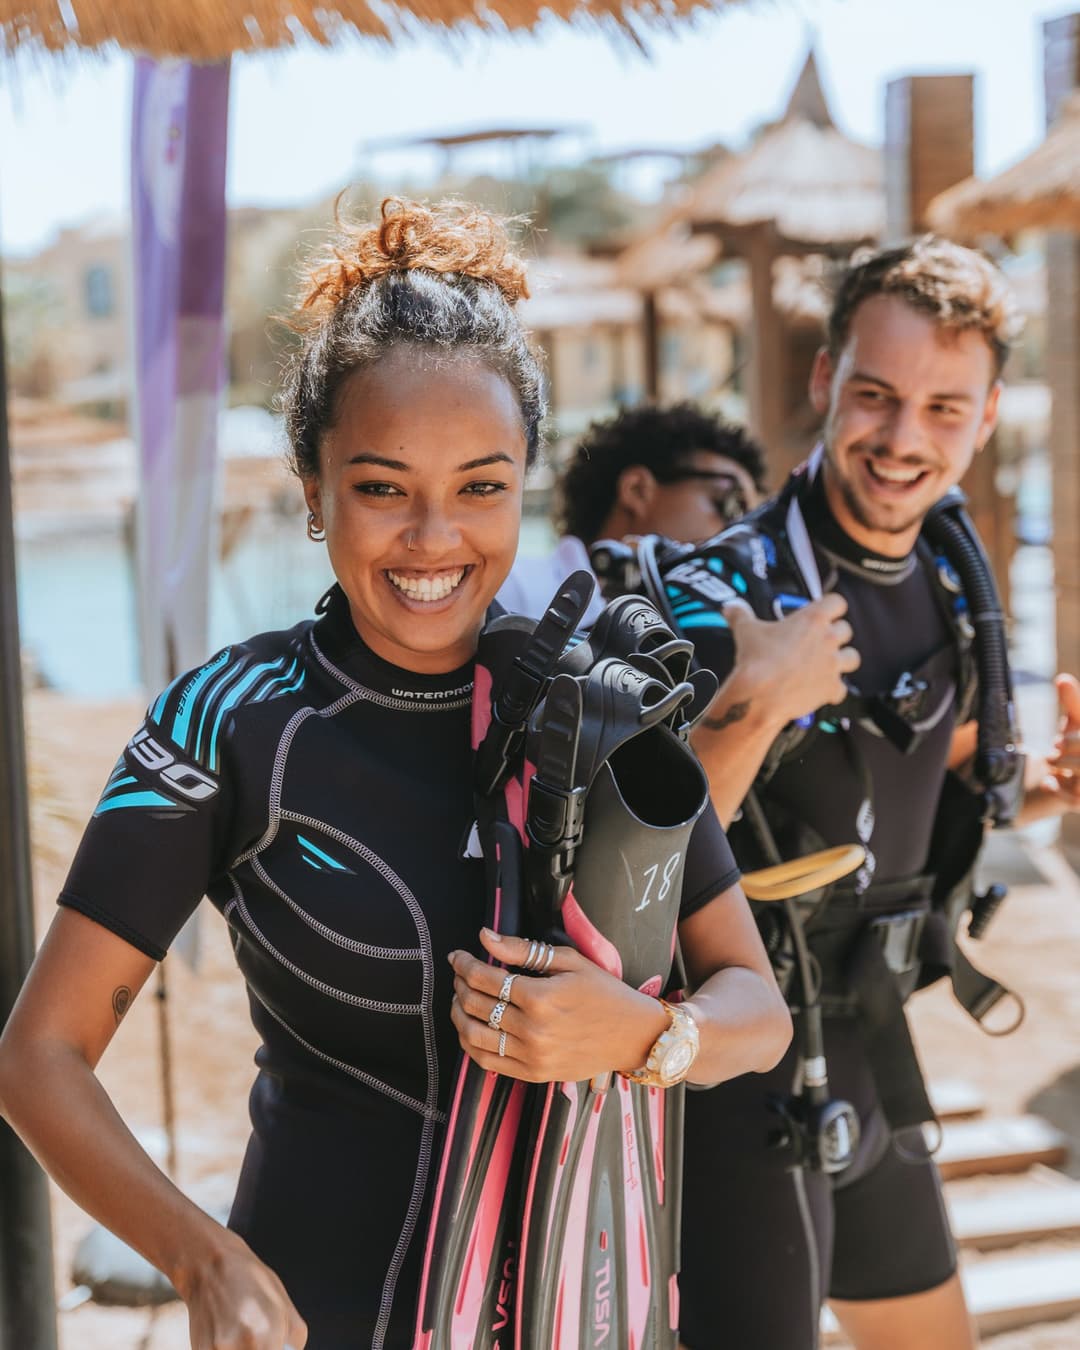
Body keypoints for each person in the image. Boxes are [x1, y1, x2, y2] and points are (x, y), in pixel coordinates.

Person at [0, 199, 791, 1350]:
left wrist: (635, 1035)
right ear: (314, 491)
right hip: (324, 1317)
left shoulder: (602, 707)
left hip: (584, 1315)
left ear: (523, 483)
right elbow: (39, 1057)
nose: (434, 539)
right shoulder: (228, 721)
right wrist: (201, 1256)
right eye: (381, 487)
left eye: (480, 486)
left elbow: (756, 1011)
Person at [651, 237, 1080, 1350]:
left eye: (944, 409)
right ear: (822, 380)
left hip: (870, 1037)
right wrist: (757, 699)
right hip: (738, 1068)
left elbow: (932, 778)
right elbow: (644, 855)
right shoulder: (728, 599)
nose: (903, 440)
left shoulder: (947, 583)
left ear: (985, 420)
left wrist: (1046, 786)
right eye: (876, 396)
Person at [497, 401, 767, 621]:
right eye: (731, 505)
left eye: (752, 523)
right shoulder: (510, 595)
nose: (741, 537)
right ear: (637, 489)